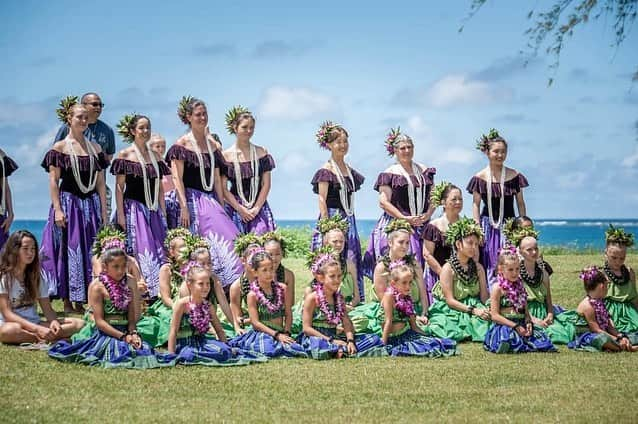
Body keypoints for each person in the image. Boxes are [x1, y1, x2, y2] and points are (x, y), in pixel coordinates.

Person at [40, 97, 109, 313]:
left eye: (85, 118)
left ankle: (86, 299)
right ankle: (69, 300)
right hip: (69, 203)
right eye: (79, 117)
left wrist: (104, 212)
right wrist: (58, 209)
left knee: (90, 249)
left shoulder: (95, 148)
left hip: (91, 205)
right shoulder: (60, 148)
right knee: (70, 249)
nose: (83, 120)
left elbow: (100, 182)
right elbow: (53, 181)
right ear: (69, 119)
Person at [166, 96, 242, 287]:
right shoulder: (181, 145)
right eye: (198, 115)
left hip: (210, 199)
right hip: (191, 199)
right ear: (189, 117)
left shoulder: (212, 145)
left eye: (205, 114)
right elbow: (177, 178)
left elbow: (216, 177)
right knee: (197, 244)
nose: (202, 118)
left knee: (229, 237)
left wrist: (221, 203)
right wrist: (183, 206)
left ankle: (226, 283)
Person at [48, 245, 166, 368]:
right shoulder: (97, 287)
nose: (121, 271)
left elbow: (131, 317)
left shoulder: (130, 281)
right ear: (105, 267)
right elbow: (99, 322)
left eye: (123, 266)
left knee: (143, 351)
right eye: (116, 267)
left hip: (126, 331)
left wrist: (133, 333)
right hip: (107, 333)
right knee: (119, 352)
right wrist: (123, 337)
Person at [363, 127, 436, 280]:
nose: (407, 150)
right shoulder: (390, 173)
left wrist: (428, 214)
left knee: (424, 265)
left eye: (409, 147)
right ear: (395, 151)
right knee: (402, 266)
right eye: (402, 148)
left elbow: (434, 196)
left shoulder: (423, 170)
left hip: (423, 223)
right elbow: (383, 202)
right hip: (399, 223)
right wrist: (404, 218)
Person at [112, 114, 169, 298]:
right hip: (134, 208)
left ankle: (160, 291)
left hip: (153, 210)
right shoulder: (125, 155)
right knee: (141, 248)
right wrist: (120, 214)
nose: (145, 131)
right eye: (141, 128)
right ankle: (144, 290)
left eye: (148, 127)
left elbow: (159, 187)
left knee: (160, 248)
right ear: (132, 131)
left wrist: (163, 211)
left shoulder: (155, 157)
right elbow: (119, 187)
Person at [164, 262, 262, 366]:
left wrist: (226, 346)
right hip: (184, 344)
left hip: (201, 342)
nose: (205, 287)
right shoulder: (181, 304)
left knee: (223, 351)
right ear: (190, 284)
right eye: (201, 284)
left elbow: (219, 330)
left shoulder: (208, 305)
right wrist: (171, 354)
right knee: (189, 355)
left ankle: (215, 352)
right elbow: (173, 331)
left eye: (208, 284)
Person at [309, 121, 365, 300]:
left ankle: (354, 297)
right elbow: (321, 198)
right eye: (338, 142)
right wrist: (327, 225)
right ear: (329, 145)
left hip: (349, 218)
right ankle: (325, 298)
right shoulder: (326, 170)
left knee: (350, 257)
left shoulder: (349, 171)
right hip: (332, 217)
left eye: (345, 141)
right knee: (329, 257)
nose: (342, 145)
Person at [467, 129, 528, 287]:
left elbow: (520, 203)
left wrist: (523, 227)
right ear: (487, 152)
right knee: (489, 258)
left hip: (509, 224)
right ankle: (489, 292)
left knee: (510, 258)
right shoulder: (479, 177)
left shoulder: (514, 175)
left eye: (503, 152)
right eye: (496, 151)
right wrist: (477, 227)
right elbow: (476, 204)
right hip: (488, 225)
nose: (500, 155)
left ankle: (512, 290)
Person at [0, 231, 84, 347]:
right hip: (11, 324)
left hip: (35, 323)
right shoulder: (4, 278)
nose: (30, 253)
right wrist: (37, 329)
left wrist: (54, 322)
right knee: (9, 331)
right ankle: (41, 338)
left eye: (33, 249)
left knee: (79, 324)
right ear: (15, 250)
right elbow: (7, 314)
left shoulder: (37, 277)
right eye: (25, 249)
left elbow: (47, 310)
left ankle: (44, 337)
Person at [299, 251, 386, 360]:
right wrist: (331, 341)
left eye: (339, 276)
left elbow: (347, 322)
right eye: (332, 276)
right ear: (321, 278)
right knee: (318, 347)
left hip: (335, 336)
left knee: (374, 339)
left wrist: (350, 341)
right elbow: (306, 328)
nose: (337, 280)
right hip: (317, 337)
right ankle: (338, 350)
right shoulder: (312, 298)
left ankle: (342, 350)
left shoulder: (339, 298)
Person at [229, 250, 306, 358]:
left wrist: (287, 333)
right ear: (255, 272)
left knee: (295, 348)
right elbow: (255, 323)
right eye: (264, 270)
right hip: (263, 333)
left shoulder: (282, 288)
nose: (269, 273)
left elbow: (288, 313)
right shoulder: (252, 295)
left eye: (271, 269)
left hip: (281, 331)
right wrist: (276, 335)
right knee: (267, 350)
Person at [358, 219, 428, 335]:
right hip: (391, 311)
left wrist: (424, 312)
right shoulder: (381, 267)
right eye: (401, 242)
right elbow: (384, 300)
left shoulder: (414, 263)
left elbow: (422, 291)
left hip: (414, 309)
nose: (405, 246)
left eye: (407, 243)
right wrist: (412, 317)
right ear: (390, 243)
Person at [428, 217, 491, 342]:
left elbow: (484, 297)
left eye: (476, 244)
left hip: (475, 305)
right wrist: (474, 311)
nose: (474, 247)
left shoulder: (478, 268)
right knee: (445, 328)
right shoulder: (447, 269)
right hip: (453, 308)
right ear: (458, 244)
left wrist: (489, 308)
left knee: (488, 324)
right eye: (470, 243)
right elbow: (450, 300)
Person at [483, 247, 556, 354]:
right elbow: (495, 315)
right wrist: (515, 326)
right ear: (501, 270)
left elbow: (526, 312)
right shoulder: (497, 288)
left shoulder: (520, 285)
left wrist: (528, 322)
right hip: (506, 324)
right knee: (507, 337)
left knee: (542, 340)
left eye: (517, 269)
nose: (514, 273)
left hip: (521, 322)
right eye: (510, 270)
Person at [54, 93, 115, 218]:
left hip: (97, 185)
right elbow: (56, 160)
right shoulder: (66, 128)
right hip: (71, 190)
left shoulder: (107, 130)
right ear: (83, 105)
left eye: (100, 105)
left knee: (100, 225)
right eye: (94, 104)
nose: (98, 107)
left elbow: (109, 157)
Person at [381, 260, 458, 357]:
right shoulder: (389, 296)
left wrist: (427, 336)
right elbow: (388, 322)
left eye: (410, 283)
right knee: (420, 349)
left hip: (407, 334)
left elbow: (414, 326)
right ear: (393, 284)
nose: (408, 286)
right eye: (404, 283)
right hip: (394, 338)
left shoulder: (406, 297)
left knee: (434, 343)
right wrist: (383, 345)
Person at [222, 105, 276, 235]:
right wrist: (240, 209)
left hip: (258, 205)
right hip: (236, 206)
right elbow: (223, 188)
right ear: (235, 128)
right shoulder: (226, 156)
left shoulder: (261, 152)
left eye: (251, 127)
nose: (248, 131)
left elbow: (266, 184)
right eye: (244, 127)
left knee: (262, 239)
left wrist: (256, 208)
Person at [514, 230, 575, 344]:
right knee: (545, 334)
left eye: (536, 248)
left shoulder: (543, 273)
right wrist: (532, 319)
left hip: (543, 311)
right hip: (526, 313)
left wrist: (550, 314)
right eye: (529, 250)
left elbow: (548, 298)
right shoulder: (517, 275)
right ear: (521, 252)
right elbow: (519, 303)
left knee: (564, 333)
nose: (534, 252)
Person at [137, 228, 190, 346]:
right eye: (181, 248)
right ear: (172, 252)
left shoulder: (194, 269)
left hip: (190, 304)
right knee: (168, 320)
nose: (185, 251)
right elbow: (166, 298)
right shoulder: (166, 269)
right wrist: (177, 307)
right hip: (169, 306)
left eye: (187, 246)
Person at [569, 266, 638, 352]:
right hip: (589, 335)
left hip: (603, 331)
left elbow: (608, 324)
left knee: (630, 336)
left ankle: (621, 345)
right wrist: (617, 339)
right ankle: (625, 348)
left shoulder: (600, 301)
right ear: (602, 286)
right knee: (602, 339)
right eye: (607, 286)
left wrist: (620, 336)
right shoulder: (587, 306)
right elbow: (595, 329)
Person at [422, 182, 463, 303]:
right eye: (454, 199)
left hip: (462, 277)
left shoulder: (467, 225)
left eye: (460, 199)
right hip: (437, 276)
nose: (458, 202)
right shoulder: (433, 226)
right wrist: (443, 274)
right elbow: (427, 255)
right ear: (443, 202)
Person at [601, 225, 638, 334]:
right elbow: (597, 301)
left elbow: (634, 298)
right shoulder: (602, 275)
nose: (618, 262)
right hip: (610, 315)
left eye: (622, 258)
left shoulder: (629, 272)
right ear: (606, 253)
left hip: (630, 313)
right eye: (614, 258)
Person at [228, 234, 263, 335]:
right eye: (252, 260)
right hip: (250, 326)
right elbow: (239, 319)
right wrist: (252, 320)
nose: (256, 265)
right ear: (243, 260)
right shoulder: (236, 287)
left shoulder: (267, 281)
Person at [0, 149, 18, 251]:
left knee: (3, 258)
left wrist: (11, 214)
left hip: (1, 215)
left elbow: (5, 187)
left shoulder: (1, 155)